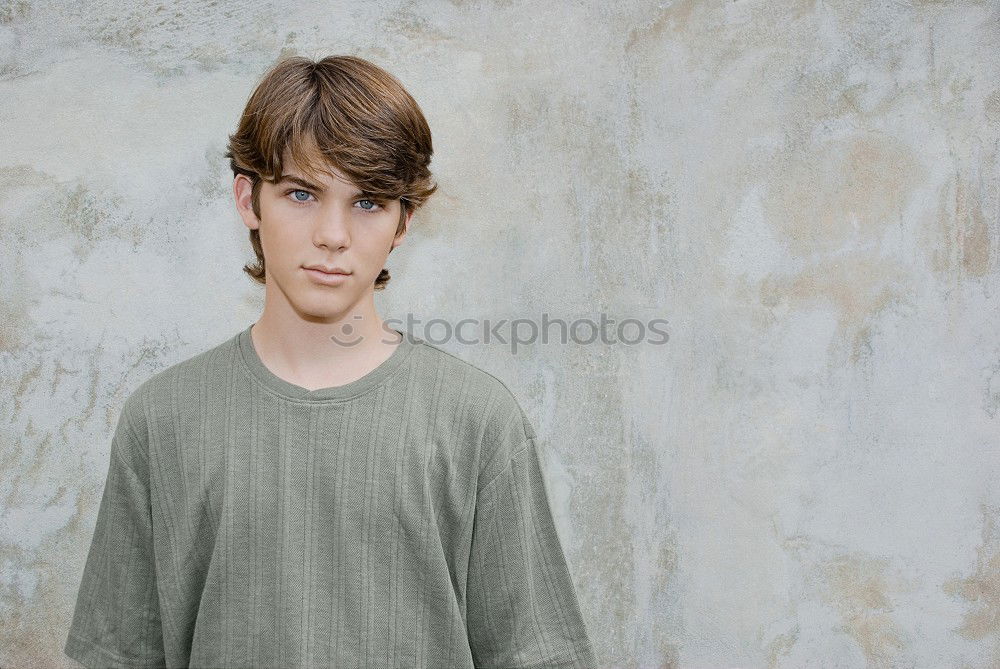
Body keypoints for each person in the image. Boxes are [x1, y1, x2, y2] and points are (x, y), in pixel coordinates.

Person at [63, 54, 597, 668]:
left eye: (367, 202)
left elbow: (536, 655)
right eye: (301, 193)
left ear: (403, 223)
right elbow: (120, 656)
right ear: (248, 199)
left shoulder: (478, 422)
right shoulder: (161, 420)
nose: (333, 234)